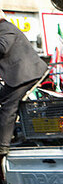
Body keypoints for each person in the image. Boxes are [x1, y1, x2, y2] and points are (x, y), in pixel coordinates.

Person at [0, 11, 47, 161]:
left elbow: (2, 47)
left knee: (8, 106)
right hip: (20, 74)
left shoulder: (4, 27)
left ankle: (2, 146)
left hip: (24, 74)